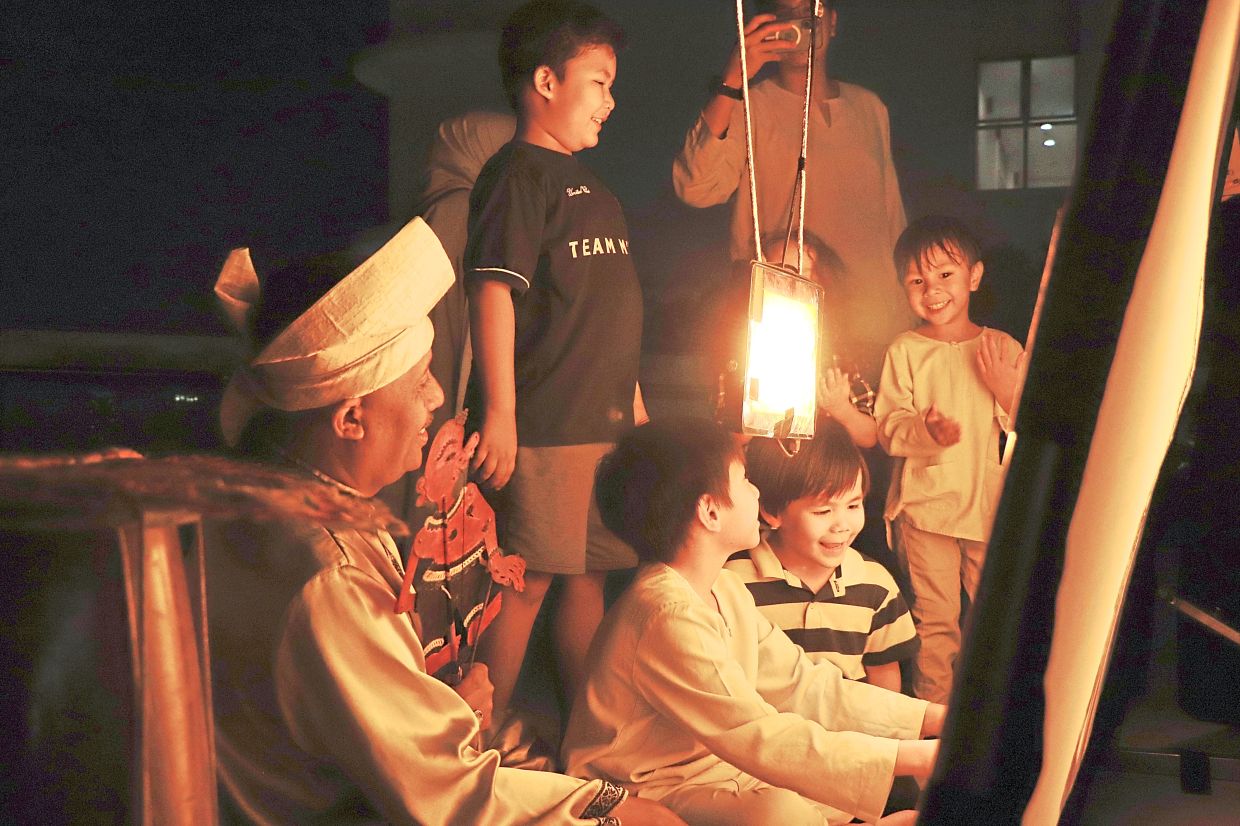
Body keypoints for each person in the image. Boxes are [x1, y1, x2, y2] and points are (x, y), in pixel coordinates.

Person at [204, 216, 681, 825]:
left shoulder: (271, 499)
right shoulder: (329, 577)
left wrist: (441, 704)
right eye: (421, 378)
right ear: (352, 420)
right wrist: (611, 806)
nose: (435, 398)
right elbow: (449, 797)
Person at [562, 418, 945, 826]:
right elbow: (757, 735)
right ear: (710, 511)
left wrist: (933, 720)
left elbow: (803, 684)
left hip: (711, 770)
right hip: (641, 788)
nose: (757, 491)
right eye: (745, 480)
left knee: (831, 798)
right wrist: (918, 757)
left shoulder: (724, 588)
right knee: (783, 814)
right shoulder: (665, 613)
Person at [464, 0, 645, 722]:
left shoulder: (593, 191)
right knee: (527, 580)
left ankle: (591, 733)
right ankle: (476, 744)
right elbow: (493, 291)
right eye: (598, 81)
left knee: (591, 577)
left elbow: (604, 310)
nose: (610, 100)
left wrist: (633, 405)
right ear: (545, 80)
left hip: (603, 425)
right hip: (547, 425)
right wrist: (501, 414)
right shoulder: (518, 176)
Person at [673, 0, 910, 385]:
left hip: (874, 325)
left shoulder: (869, 108)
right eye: (786, 16)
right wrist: (734, 77)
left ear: (832, 21)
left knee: (863, 441)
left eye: (810, 13)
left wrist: (908, 317)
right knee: (784, 437)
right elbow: (696, 187)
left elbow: (892, 216)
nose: (800, 26)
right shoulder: (750, 106)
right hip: (787, 322)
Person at [874, 215, 1024, 704]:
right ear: (903, 288)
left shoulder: (1001, 346)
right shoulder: (906, 351)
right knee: (935, 627)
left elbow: (1031, 425)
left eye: (945, 275)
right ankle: (933, 740)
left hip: (990, 509)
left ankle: (991, 729)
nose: (931, 289)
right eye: (917, 280)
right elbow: (889, 426)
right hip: (927, 511)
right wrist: (927, 431)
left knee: (994, 624)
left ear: (974, 277)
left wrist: (1005, 390)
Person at [725, 420, 918, 694]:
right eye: (822, 511)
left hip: (850, 735)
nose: (842, 525)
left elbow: (885, 683)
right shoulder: (734, 583)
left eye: (853, 505)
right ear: (771, 511)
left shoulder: (876, 585)